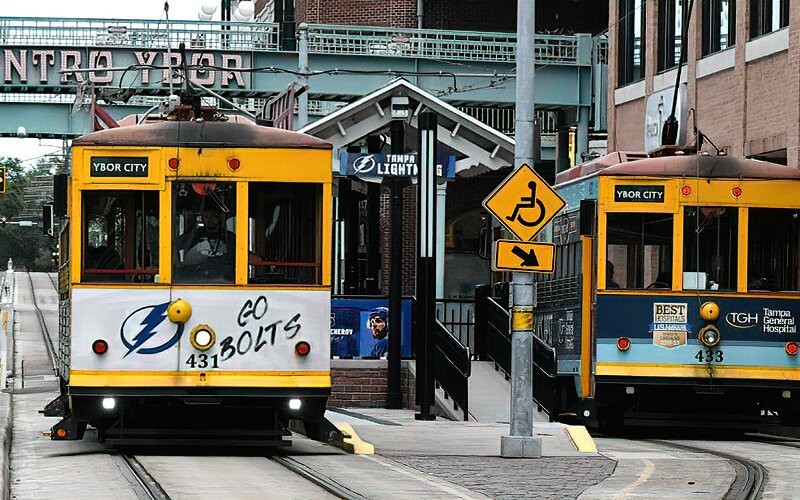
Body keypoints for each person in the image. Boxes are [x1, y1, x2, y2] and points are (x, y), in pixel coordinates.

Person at [176, 205, 235, 281]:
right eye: (206, 217)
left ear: (220, 217)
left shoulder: (229, 237)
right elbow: (173, 245)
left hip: (225, 281)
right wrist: (177, 264)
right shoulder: (193, 235)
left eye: (213, 216)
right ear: (202, 219)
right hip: (195, 281)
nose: (210, 220)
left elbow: (244, 254)